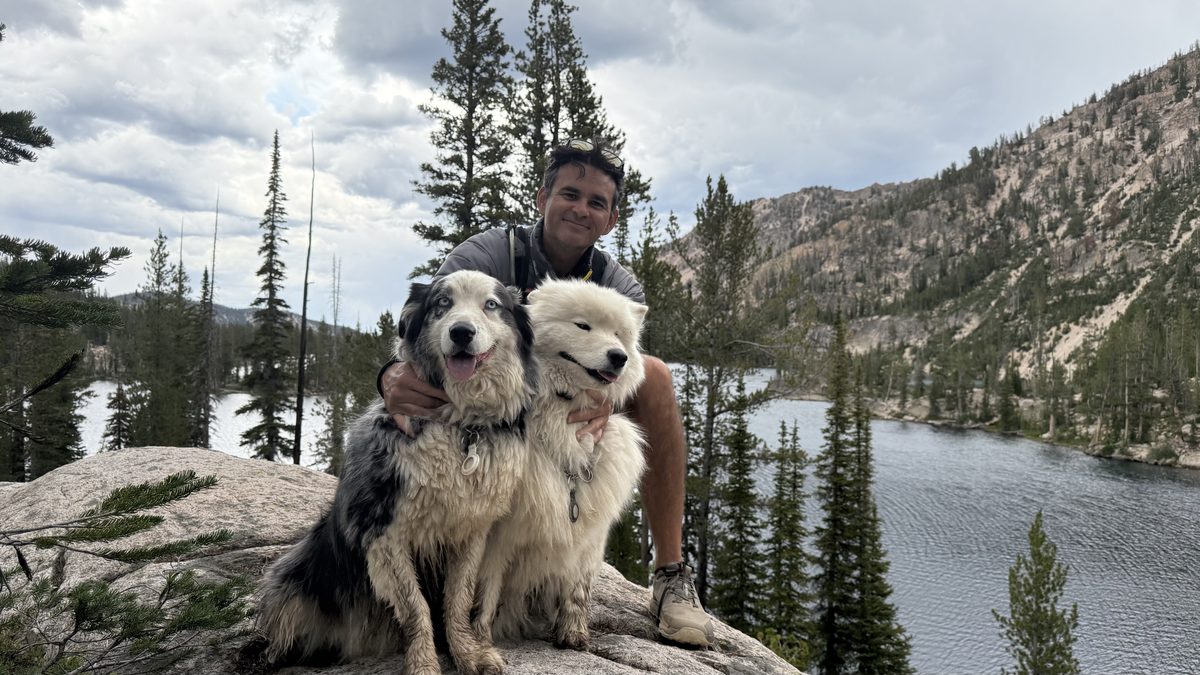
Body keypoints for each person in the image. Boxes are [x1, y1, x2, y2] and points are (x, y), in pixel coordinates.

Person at [378, 138, 714, 647]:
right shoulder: (491, 253)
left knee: (658, 377)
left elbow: (624, 360)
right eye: (570, 194)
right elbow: (423, 316)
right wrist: (390, 374)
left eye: (596, 202)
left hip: (560, 412)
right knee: (432, 383)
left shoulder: (617, 285)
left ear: (611, 220)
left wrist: (609, 398)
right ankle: (426, 550)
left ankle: (670, 575)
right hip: (492, 407)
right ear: (543, 198)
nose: (581, 209)